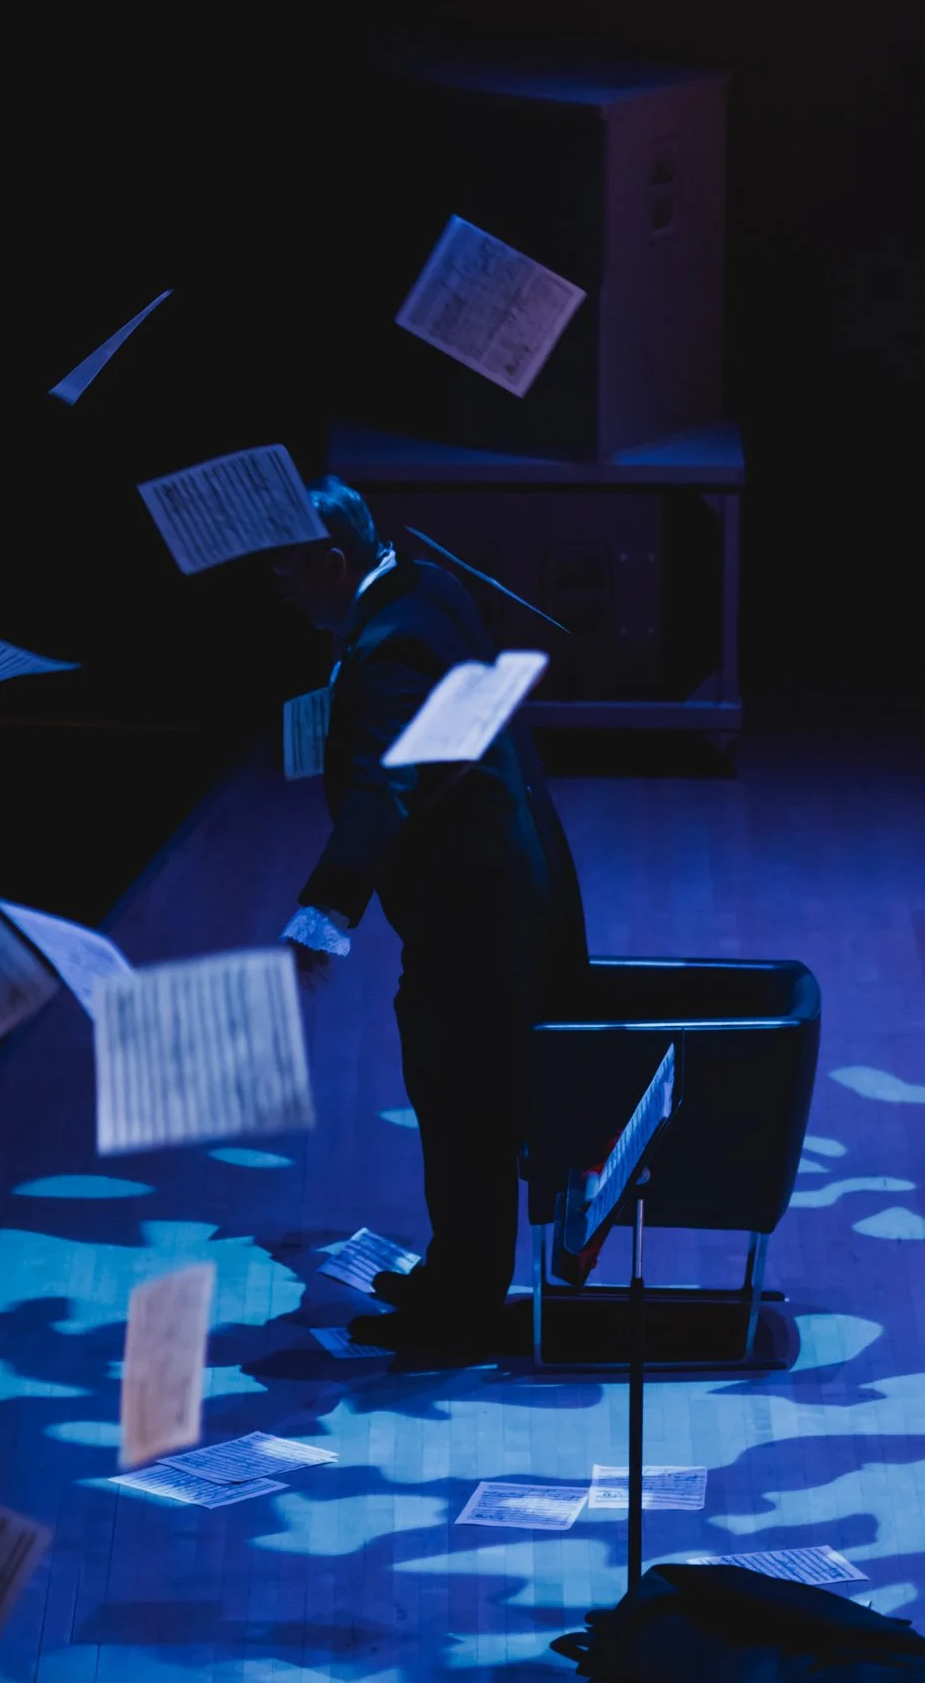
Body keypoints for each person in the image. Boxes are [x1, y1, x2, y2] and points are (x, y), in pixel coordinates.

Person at [273, 476, 588, 1353]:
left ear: (334, 562)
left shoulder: (391, 648)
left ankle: (460, 1310)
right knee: (463, 1094)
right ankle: (459, 1277)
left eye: (289, 570)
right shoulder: (423, 586)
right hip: (499, 881)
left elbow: (384, 790)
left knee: (460, 1100)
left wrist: (323, 916)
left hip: (473, 909)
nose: (280, 588)